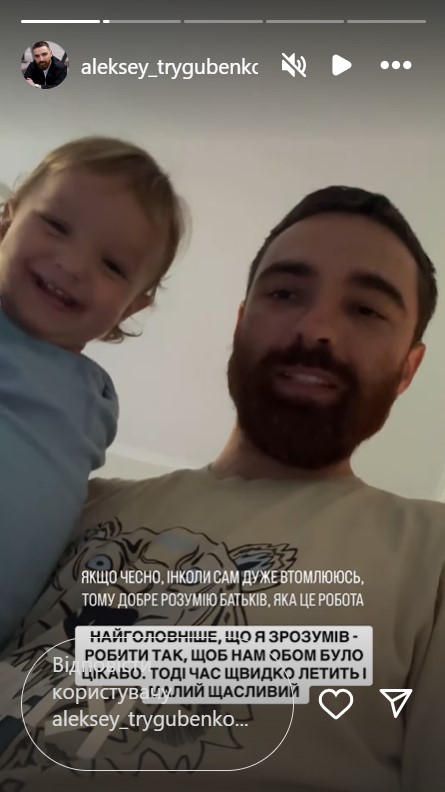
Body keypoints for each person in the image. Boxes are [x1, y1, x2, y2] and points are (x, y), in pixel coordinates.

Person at [0, 186, 444, 792]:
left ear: (408, 370)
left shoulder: (432, 554)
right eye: (284, 294)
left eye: (366, 310)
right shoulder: (70, 502)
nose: (316, 328)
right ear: (240, 323)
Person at [0, 135, 184, 645]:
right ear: (6, 221)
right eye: (56, 226)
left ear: (131, 307)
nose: (74, 264)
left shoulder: (98, 400)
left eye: (113, 266)